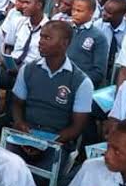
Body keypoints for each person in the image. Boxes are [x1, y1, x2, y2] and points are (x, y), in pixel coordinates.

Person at [12, 21, 94, 169]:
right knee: (5, 168)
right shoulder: (28, 70)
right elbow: (17, 104)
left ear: (64, 43)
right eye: (41, 36)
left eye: (47, 38)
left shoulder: (81, 82)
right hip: (25, 135)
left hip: (57, 141)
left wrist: (45, 143)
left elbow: (77, 127)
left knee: (41, 176)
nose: (40, 42)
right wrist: (20, 124)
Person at [93, 0, 126, 83]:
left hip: (121, 67)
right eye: (104, 10)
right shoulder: (98, 25)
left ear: (122, 14)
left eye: (109, 13)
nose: (104, 14)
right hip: (101, 65)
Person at [67, 0, 108, 87]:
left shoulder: (98, 37)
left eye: (79, 11)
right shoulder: (66, 29)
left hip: (81, 83)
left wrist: (78, 81)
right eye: (73, 10)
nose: (74, 13)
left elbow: (99, 72)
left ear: (91, 13)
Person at [4, 0, 49, 67]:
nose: (23, 6)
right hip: (13, 63)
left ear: (39, 5)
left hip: (32, 68)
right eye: (23, 2)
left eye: (27, 3)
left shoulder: (49, 28)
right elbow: (8, 45)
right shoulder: (18, 22)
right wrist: (9, 64)